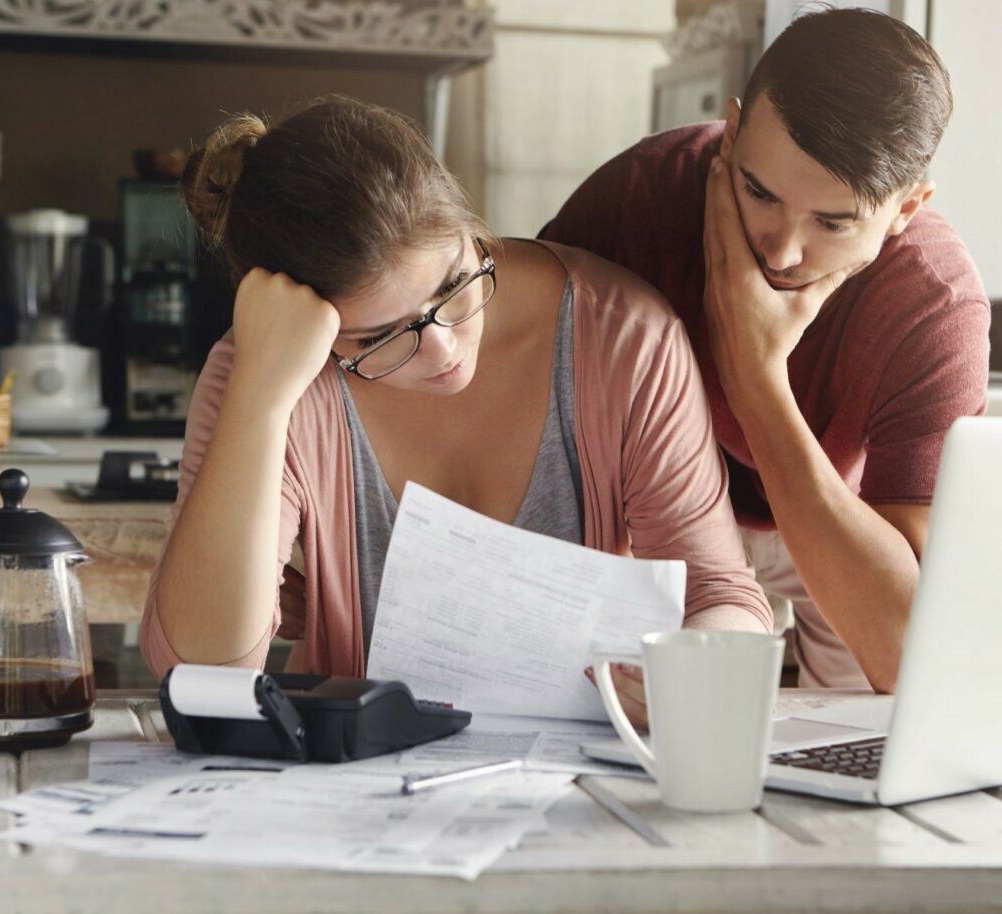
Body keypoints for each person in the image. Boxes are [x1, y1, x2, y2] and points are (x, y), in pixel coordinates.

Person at [139, 96, 772, 727]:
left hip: (586, 782)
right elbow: (199, 672)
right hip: (354, 793)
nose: (444, 348)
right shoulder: (262, 375)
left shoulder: (623, 336)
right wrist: (261, 399)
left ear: (469, 225)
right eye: (380, 337)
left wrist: (695, 668)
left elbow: (722, 595)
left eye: (453, 284)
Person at [541, 7, 990, 693]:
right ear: (732, 130)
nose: (781, 248)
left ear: (906, 209)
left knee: (870, 734)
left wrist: (755, 378)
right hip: (659, 506)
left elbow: (905, 655)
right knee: (625, 713)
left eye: (833, 222)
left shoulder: (934, 302)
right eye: (758, 191)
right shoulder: (638, 197)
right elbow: (512, 388)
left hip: (835, 510)